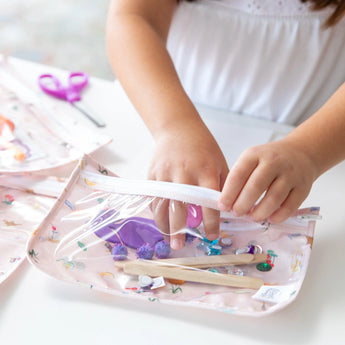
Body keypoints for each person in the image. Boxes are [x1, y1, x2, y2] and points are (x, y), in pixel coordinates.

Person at [106, 0, 345, 249]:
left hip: (322, 143)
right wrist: (174, 127)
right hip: (161, 114)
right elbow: (133, 16)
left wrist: (309, 152)